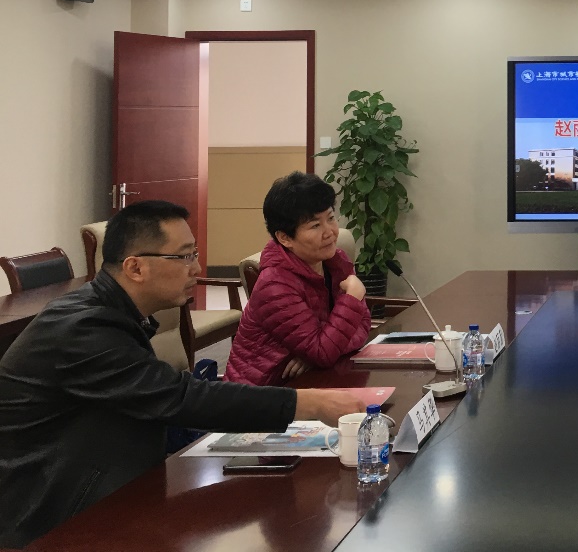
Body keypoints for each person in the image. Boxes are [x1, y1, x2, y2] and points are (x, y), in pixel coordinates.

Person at [0, 200, 363, 548]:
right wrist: (309, 403)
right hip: (52, 521)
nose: (196, 268)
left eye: (195, 254)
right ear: (135, 268)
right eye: (184, 256)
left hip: (112, 488)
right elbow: (177, 397)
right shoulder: (83, 329)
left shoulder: (112, 311)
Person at [225, 172, 371, 386]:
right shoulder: (274, 284)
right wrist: (352, 299)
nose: (330, 232)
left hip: (309, 381)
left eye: (331, 218)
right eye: (315, 225)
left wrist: (320, 352)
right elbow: (323, 352)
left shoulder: (336, 261)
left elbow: (363, 325)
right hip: (262, 392)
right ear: (285, 238)